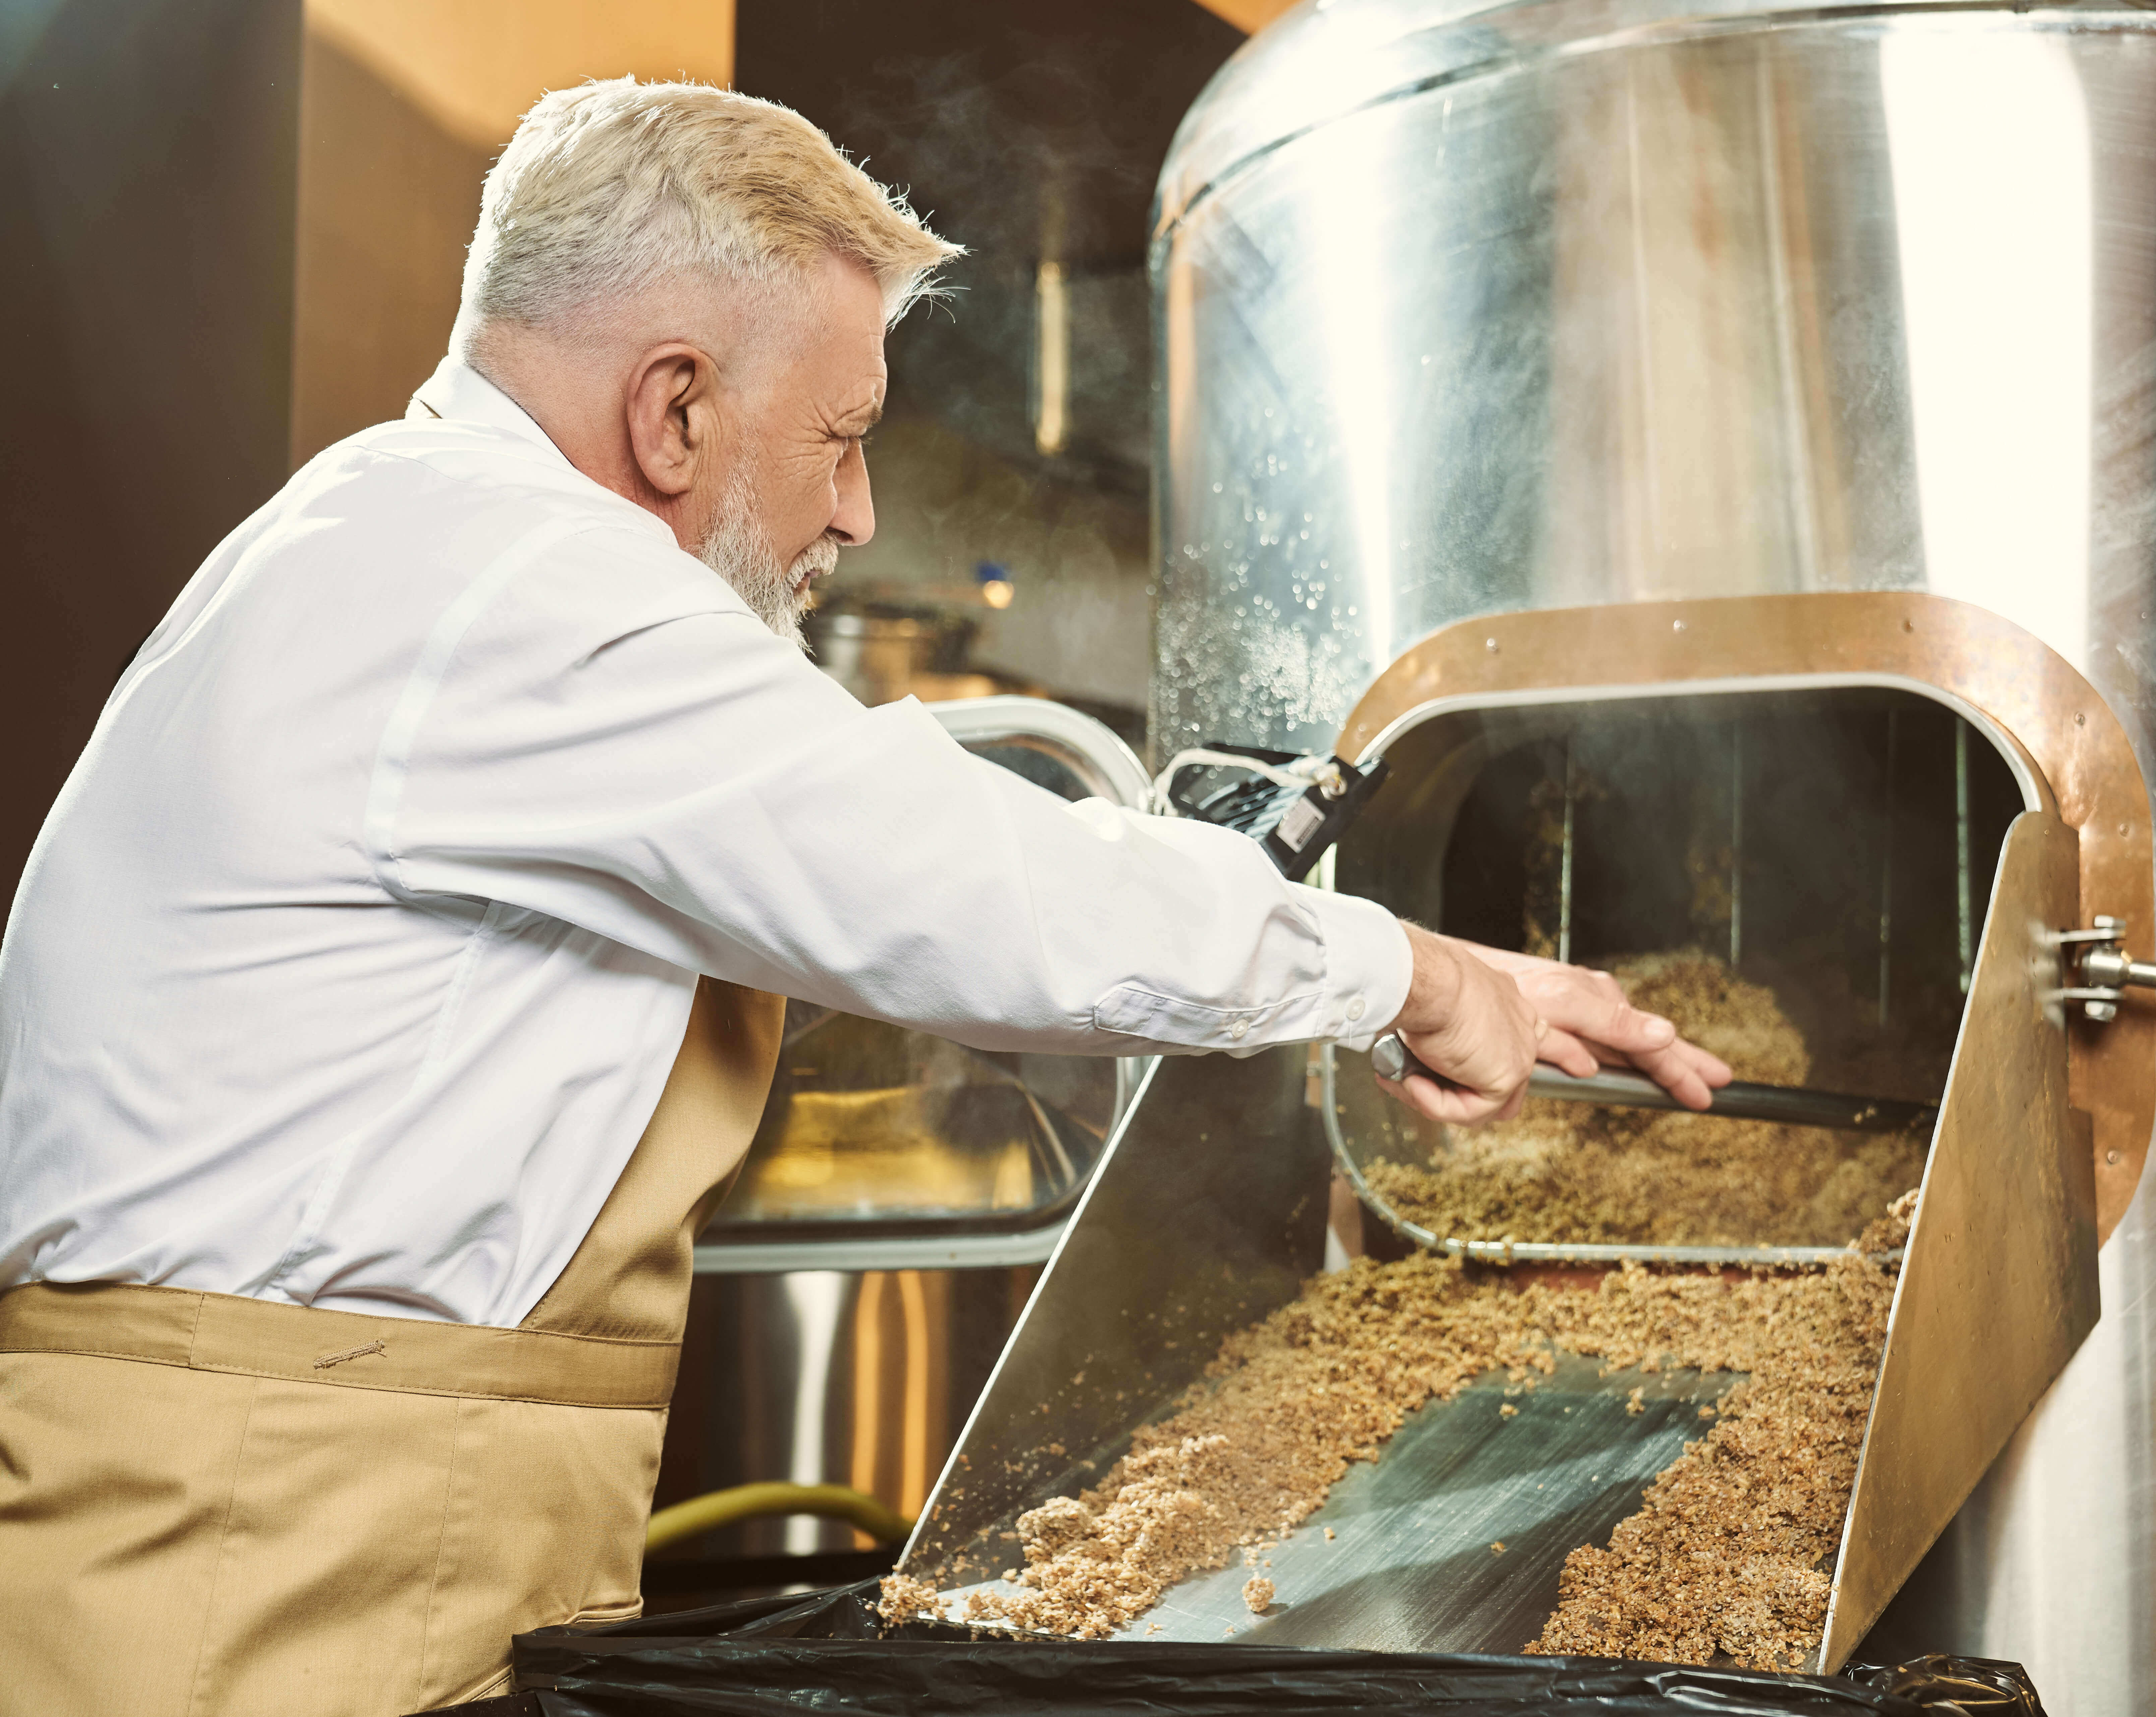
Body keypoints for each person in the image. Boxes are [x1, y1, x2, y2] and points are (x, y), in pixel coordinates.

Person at [0, 79, 1727, 1715]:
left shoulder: (399, 545)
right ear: (672, 407)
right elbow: (960, 878)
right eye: (839, 437)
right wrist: (1414, 976)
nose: (859, 508)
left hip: (347, 1508)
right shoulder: (516, 583)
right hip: (261, 1555)